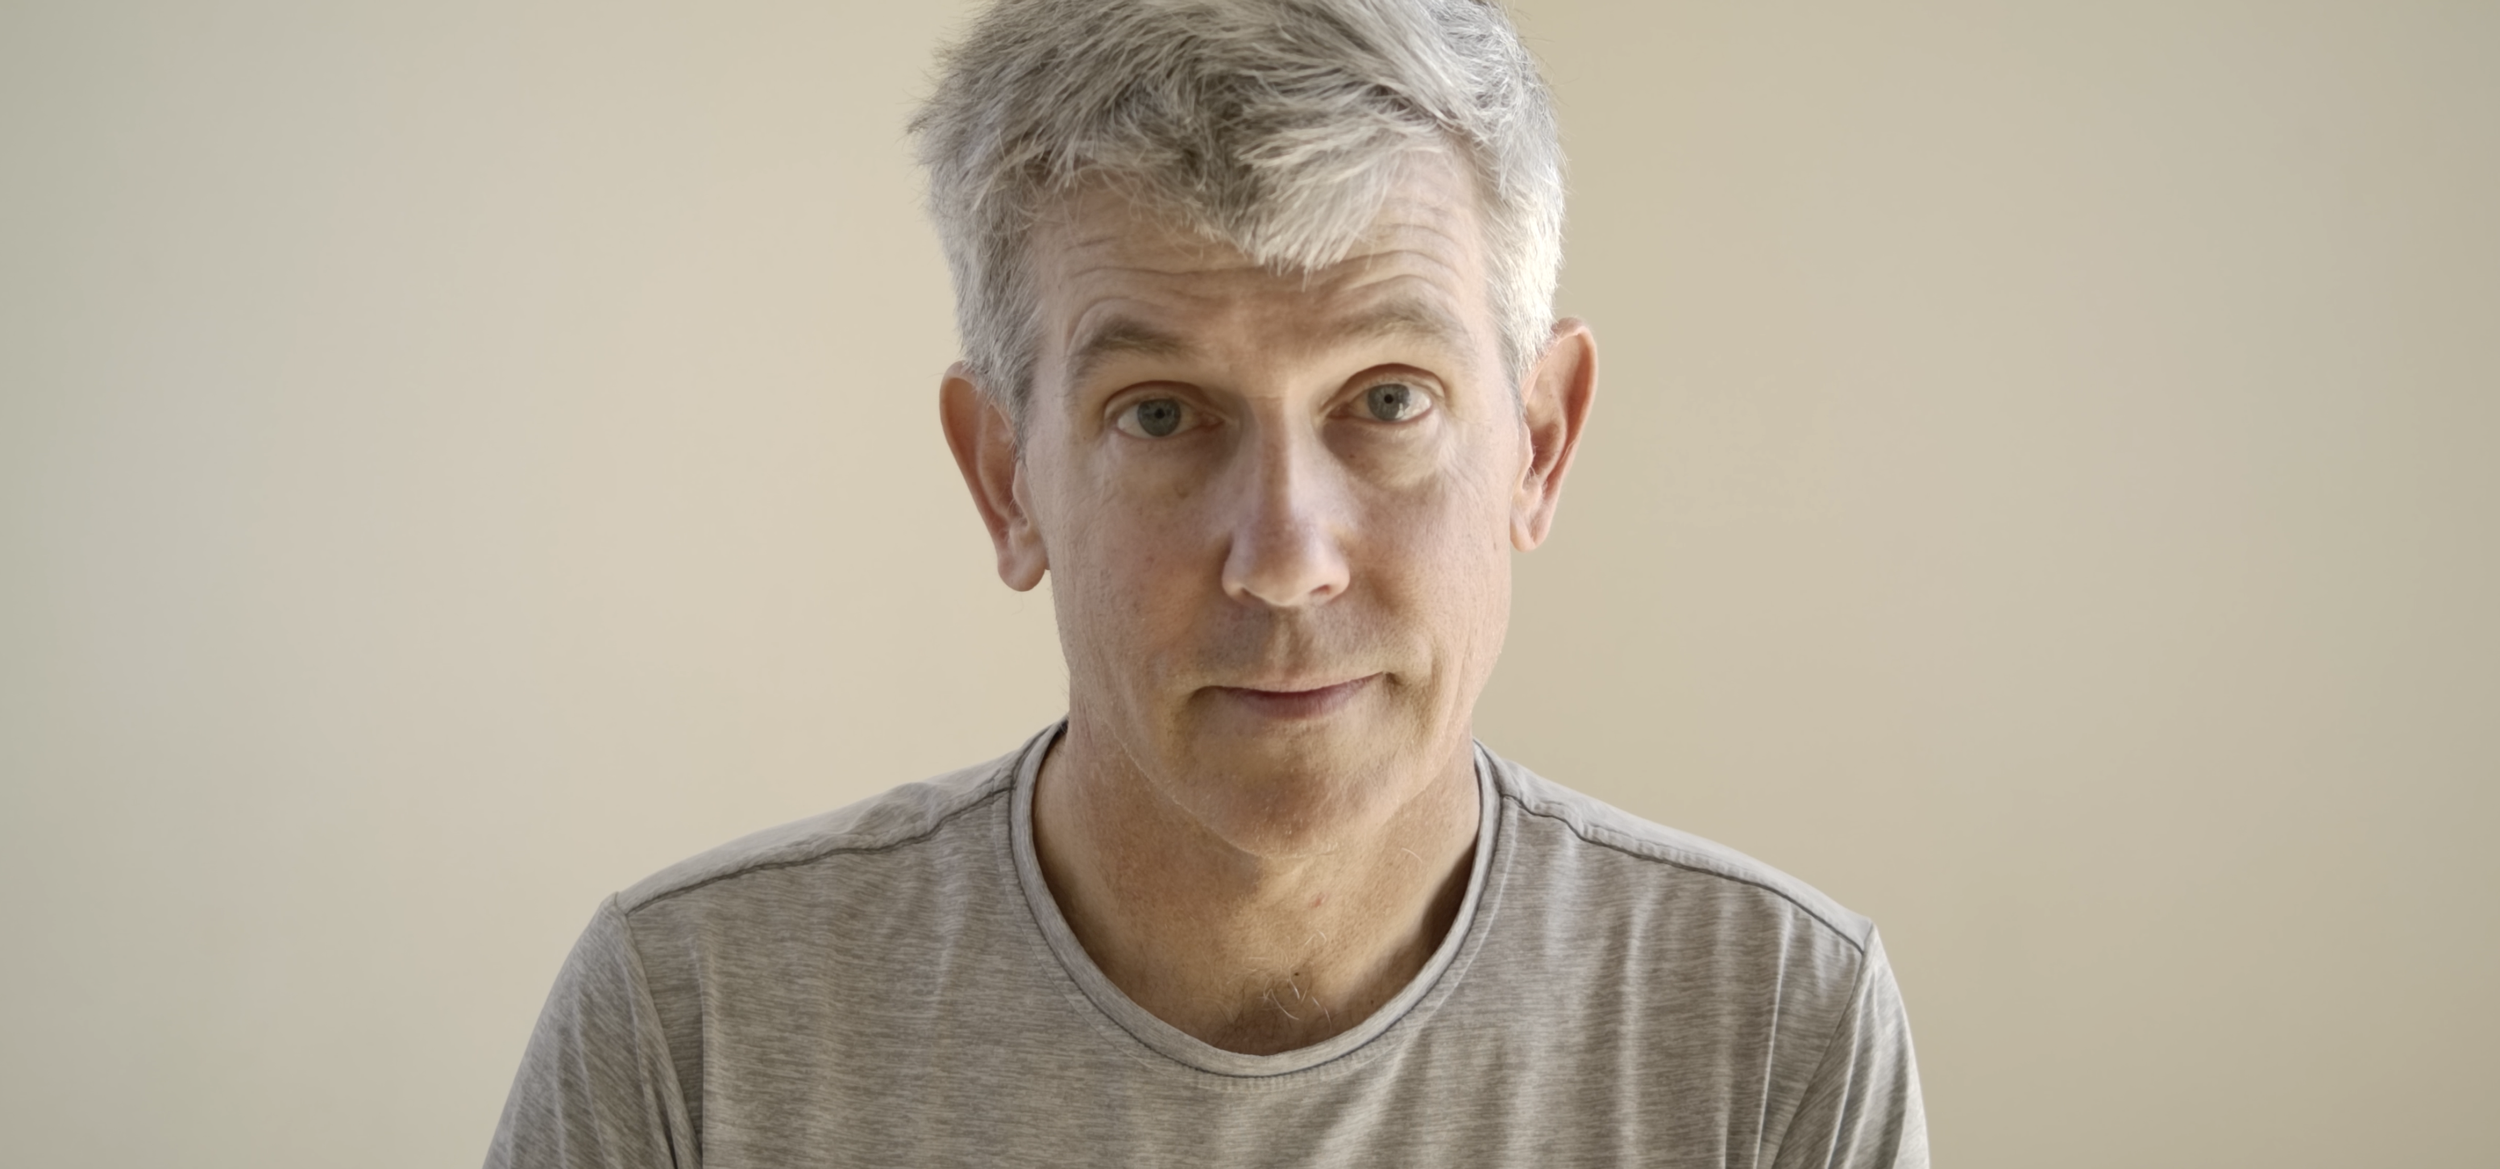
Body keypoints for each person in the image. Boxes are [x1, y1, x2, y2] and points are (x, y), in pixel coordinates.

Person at [485, 0, 1927, 1165]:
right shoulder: (695, 1033)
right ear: (1006, 478)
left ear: (1537, 446)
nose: (1288, 558)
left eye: (1388, 398)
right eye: (1162, 414)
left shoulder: (1775, 1033)